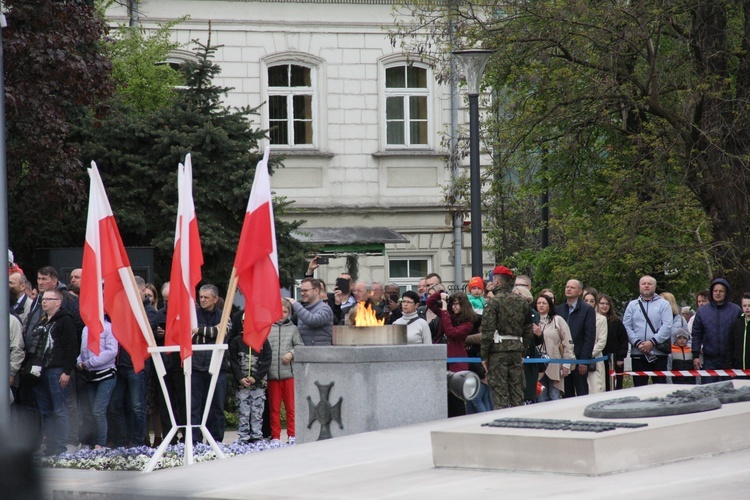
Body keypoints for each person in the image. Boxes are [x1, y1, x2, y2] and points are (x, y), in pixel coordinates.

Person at [27, 289, 77, 455]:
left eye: (49, 299)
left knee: (59, 409)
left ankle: (61, 446)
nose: (44, 301)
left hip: (57, 370)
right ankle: (50, 445)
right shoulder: (42, 320)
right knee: (45, 411)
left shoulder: (65, 320)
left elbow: (72, 347)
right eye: (43, 298)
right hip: (39, 371)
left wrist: (67, 371)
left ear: (58, 302)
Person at [481, 265, 533, 409]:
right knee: (517, 394)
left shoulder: (494, 303)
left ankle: (502, 426)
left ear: (497, 281)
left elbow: (487, 331)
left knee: (500, 395)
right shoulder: (522, 302)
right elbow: (528, 330)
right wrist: (522, 351)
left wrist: (484, 356)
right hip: (516, 351)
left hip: (498, 353)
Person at [427, 289, 475, 416]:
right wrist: (441, 293)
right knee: (441, 396)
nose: (453, 307)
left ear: (463, 305)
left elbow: (451, 332)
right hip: (441, 358)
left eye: (456, 304)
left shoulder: (468, 322)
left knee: (456, 397)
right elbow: (429, 302)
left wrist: (444, 311)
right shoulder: (448, 315)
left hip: (456, 362)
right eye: (452, 304)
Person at [191, 284, 229, 443]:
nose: (202, 300)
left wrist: (199, 331)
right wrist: (210, 331)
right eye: (201, 297)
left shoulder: (224, 315)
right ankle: (195, 442)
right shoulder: (193, 314)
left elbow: (222, 332)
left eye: (206, 297)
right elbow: (189, 333)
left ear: (215, 299)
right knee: (194, 407)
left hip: (218, 367)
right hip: (195, 367)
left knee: (217, 407)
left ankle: (216, 441)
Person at [623, 275, 673, 386]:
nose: (646, 286)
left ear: (654, 287)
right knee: (639, 387)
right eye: (643, 283)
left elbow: (667, 326)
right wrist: (637, 343)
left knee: (660, 387)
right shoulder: (632, 305)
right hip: (638, 353)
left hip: (658, 354)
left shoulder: (664, 304)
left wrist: (652, 342)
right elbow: (626, 326)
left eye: (649, 284)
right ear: (639, 286)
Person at [77, 320, 118, 449]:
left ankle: (101, 444)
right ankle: (91, 441)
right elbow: (83, 350)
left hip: (106, 374)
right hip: (90, 376)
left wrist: (90, 363)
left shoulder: (108, 327)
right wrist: (79, 361)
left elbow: (112, 351)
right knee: (90, 412)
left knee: (98, 411)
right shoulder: (86, 328)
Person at [267, 299, 304, 444]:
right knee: (274, 408)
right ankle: (275, 436)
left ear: (289, 313)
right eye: (279, 311)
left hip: (289, 374)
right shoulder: (268, 328)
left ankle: (292, 434)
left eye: (285, 312)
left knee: (291, 407)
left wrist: (291, 353)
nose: (281, 314)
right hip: (272, 374)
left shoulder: (293, 329)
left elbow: (300, 346)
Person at [691, 278, 742, 383]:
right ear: (711, 292)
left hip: (729, 361)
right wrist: (695, 355)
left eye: (721, 291)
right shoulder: (702, 311)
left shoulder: (736, 310)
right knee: (709, 392)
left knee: (730, 394)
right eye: (715, 291)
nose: (718, 293)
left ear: (726, 292)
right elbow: (696, 334)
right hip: (709, 360)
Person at [228, 333, 271, 444]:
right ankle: (243, 436)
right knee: (243, 411)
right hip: (242, 384)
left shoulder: (263, 341)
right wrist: (240, 377)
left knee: (257, 411)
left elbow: (267, 361)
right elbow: (233, 361)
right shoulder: (236, 341)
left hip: (258, 384)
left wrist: (255, 377)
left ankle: (257, 436)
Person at [555, 279, 596, 397]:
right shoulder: (559, 309)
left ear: (580, 292)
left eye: (572, 287)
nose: (568, 289)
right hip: (563, 358)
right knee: (566, 392)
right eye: (567, 286)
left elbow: (589, 336)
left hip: (579, 359)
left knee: (582, 391)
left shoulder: (587, 310)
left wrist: (584, 360)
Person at [534, 294, 574, 401]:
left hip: (555, 363)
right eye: (539, 303)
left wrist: (566, 364)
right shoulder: (533, 321)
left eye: (544, 303)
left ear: (549, 305)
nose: (541, 305)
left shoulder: (558, 320)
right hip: (538, 365)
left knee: (554, 396)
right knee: (541, 398)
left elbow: (568, 343)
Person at [290, 278, 334, 346]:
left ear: (316, 290)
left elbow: (313, 321)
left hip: (321, 354)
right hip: (304, 353)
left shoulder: (325, 308)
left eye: (305, 291)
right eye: (301, 291)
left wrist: (295, 304)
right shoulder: (303, 310)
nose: (302, 293)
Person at [598, 294, 629, 390]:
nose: (604, 306)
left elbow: (623, 340)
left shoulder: (616, 322)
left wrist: (620, 357)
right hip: (598, 358)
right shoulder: (592, 321)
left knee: (615, 386)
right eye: (602, 303)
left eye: (607, 304)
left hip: (614, 360)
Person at [582, 290, 608, 394]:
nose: (588, 303)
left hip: (595, 358)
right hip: (578, 359)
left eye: (592, 301)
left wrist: (588, 354)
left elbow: (601, 342)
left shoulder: (601, 319)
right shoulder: (579, 317)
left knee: (596, 388)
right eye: (586, 301)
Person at [727, 292, 750, 375]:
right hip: (738, 370)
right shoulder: (736, 324)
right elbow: (730, 346)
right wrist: (730, 367)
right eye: (745, 306)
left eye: (749, 305)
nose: (747, 308)